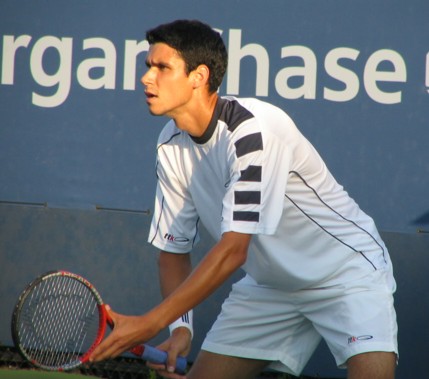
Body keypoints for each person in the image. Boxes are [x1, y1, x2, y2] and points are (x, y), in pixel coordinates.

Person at [90, 19, 398, 379]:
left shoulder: (252, 132)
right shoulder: (170, 143)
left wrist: (148, 323)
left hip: (346, 272)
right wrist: (179, 329)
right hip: (269, 286)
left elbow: (234, 249)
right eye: (148, 66)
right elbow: (173, 251)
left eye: (162, 67)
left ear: (198, 77)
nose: (147, 78)